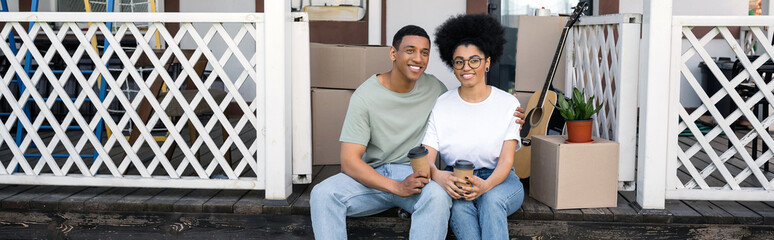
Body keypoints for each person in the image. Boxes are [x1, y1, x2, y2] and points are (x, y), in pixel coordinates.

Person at [310, 25, 525, 239]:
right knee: (322, 194)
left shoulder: (435, 91)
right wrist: (396, 186)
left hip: (415, 175)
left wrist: (512, 114)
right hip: (374, 176)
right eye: (410, 50)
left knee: (439, 198)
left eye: (424, 53)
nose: (418, 58)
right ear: (393, 53)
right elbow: (349, 162)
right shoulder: (365, 96)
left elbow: (470, 104)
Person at [423, 14, 525, 240]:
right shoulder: (442, 104)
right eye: (459, 61)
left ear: (487, 62)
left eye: (474, 60)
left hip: (500, 179)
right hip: (458, 180)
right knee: (459, 210)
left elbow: (507, 161)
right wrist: (439, 176)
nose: (466, 67)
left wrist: (486, 185)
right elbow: (427, 158)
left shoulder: (508, 104)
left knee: (491, 201)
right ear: (453, 65)